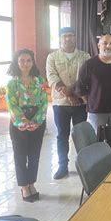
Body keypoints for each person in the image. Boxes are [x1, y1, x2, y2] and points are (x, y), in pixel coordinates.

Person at [46, 27, 90, 180]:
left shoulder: (85, 56)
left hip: (79, 103)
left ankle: (85, 165)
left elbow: (85, 78)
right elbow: (52, 77)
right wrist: (68, 95)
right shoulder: (52, 57)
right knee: (62, 135)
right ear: (60, 39)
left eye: (71, 36)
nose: (68, 39)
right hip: (60, 104)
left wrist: (73, 94)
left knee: (81, 135)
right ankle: (62, 166)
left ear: (75, 37)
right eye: (65, 36)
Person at [6, 49, 48, 202]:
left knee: (34, 156)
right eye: (22, 60)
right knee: (20, 156)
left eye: (28, 60)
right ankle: (24, 187)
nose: (25, 63)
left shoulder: (39, 81)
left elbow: (44, 102)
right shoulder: (12, 83)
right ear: (17, 63)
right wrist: (23, 122)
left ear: (32, 62)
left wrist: (36, 121)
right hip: (18, 124)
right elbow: (12, 105)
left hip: (38, 120)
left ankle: (31, 183)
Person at [75, 33, 111, 131]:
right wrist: (92, 102)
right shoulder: (89, 65)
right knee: (97, 142)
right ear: (99, 46)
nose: (108, 46)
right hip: (96, 112)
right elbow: (80, 88)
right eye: (105, 43)